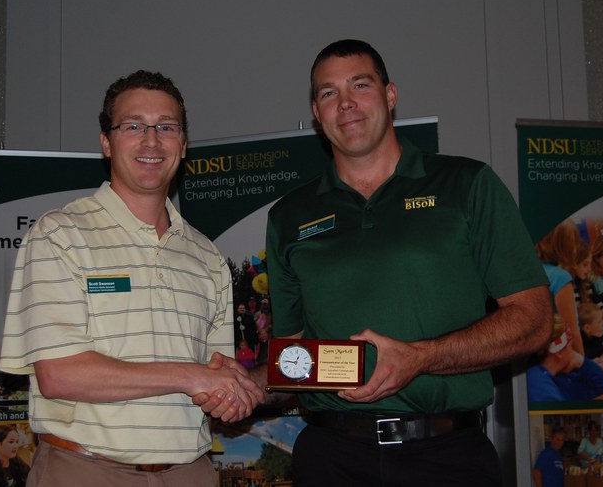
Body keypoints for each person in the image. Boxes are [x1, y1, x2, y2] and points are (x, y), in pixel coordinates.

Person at [200, 39, 552, 486]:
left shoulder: (467, 185)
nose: (345, 103)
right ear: (317, 112)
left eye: (359, 85)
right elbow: (295, 359)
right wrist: (244, 384)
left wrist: (420, 358)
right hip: (331, 459)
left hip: (448, 458)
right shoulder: (290, 216)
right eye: (329, 93)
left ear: (389, 95)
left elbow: (535, 320)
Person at [0, 70, 264, 487]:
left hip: (190, 473)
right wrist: (190, 375)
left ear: (183, 142)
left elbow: (214, 375)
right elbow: (59, 374)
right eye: (134, 125)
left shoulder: (207, 256)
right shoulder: (60, 235)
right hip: (85, 471)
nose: (152, 141)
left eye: (166, 127)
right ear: (106, 141)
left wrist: (230, 397)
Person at [526, 313, 603, 402]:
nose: (574, 353)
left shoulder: (561, 376)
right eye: (571, 347)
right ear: (559, 353)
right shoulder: (542, 390)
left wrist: (582, 362)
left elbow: (601, 385)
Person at [536, 220, 585, 355]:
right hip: (560, 357)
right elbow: (571, 331)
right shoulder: (560, 277)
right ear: (565, 245)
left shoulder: (535, 271)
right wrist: (584, 365)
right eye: (574, 242)